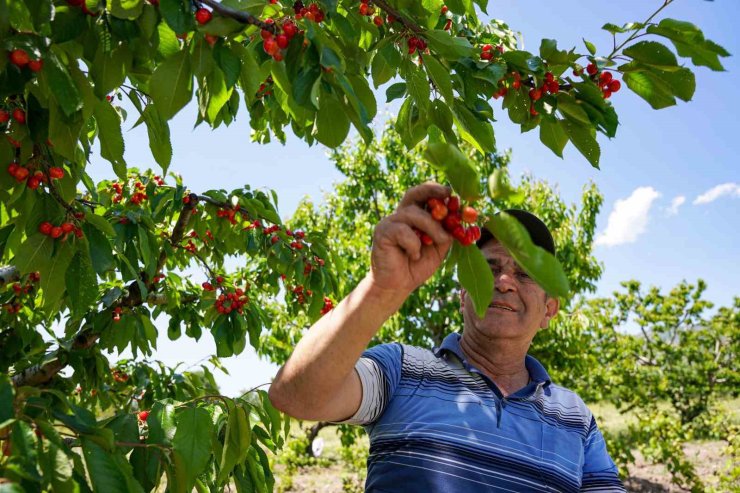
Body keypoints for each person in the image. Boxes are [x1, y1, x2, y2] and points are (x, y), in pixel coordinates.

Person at [268, 182, 625, 492]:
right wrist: (381, 289)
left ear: (550, 309)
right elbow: (297, 396)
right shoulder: (403, 370)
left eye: (526, 273)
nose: (504, 281)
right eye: (490, 268)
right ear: (463, 295)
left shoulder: (575, 418)